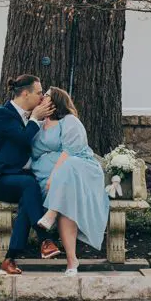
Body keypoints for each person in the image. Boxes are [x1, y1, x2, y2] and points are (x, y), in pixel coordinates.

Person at [0, 74, 61, 275]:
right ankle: (45, 239)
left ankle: (9, 260)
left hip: (24, 181)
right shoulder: (3, 114)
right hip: (2, 180)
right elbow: (22, 139)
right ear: (25, 93)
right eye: (38, 93)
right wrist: (35, 118)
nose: (42, 96)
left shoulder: (33, 119)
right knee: (29, 186)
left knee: (29, 198)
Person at [30, 87, 110, 275]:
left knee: (65, 191)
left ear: (55, 101)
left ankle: (52, 217)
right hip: (45, 177)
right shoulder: (39, 126)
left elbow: (70, 152)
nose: (42, 97)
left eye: (46, 96)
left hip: (79, 171)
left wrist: (54, 177)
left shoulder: (69, 122)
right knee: (64, 202)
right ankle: (72, 261)